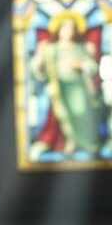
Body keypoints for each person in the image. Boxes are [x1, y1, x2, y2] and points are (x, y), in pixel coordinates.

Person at [29, 11, 102, 161]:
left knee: (80, 113)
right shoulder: (51, 49)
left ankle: (87, 145)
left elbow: (93, 67)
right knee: (62, 115)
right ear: (59, 30)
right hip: (59, 88)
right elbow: (39, 72)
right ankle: (67, 144)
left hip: (78, 88)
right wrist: (39, 59)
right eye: (65, 28)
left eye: (71, 28)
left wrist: (80, 65)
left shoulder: (81, 47)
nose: (68, 31)